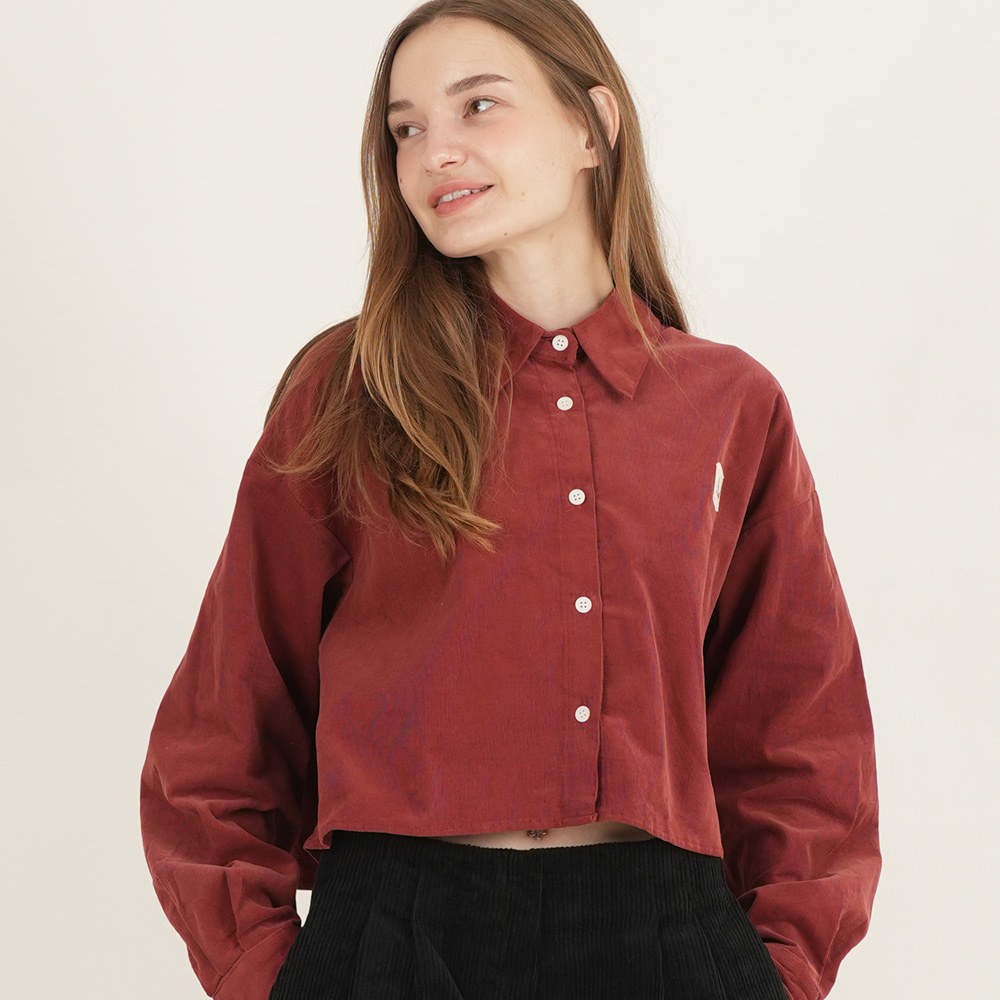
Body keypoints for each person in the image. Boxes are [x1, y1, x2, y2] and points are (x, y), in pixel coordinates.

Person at [139, 2, 881, 999]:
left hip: (665, 935)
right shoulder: (350, 390)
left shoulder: (729, 406)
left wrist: (780, 970)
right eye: (406, 128)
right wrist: (264, 973)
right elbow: (224, 722)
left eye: (477, 106)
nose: (434, 152)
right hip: (393, 931)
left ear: (592, 127)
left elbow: (800, 732)